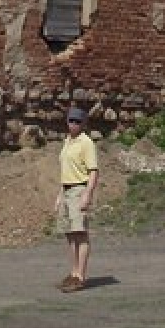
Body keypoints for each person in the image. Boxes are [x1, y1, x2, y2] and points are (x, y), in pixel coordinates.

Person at [54, 106, 98, 292]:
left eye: (77, 122)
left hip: (79, 189)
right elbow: (65, 171)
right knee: (70, 234)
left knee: (80, 233)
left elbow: (93, 171)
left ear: (83, 124)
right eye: (71, 121)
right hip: (66, 189)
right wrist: (59, 195)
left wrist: (88, 193)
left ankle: (80, 275)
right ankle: (72, 272)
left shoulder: (86, 143)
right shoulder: (67, 142)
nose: (73, 124)